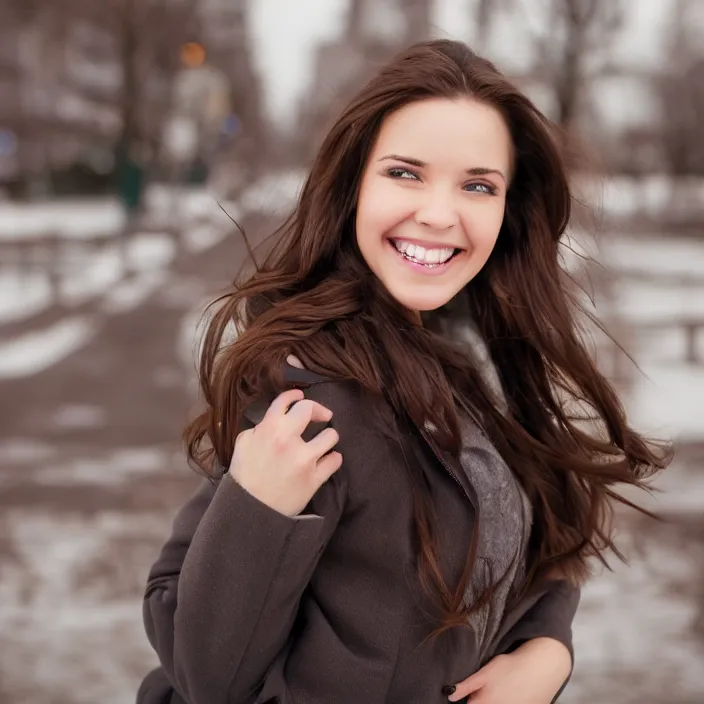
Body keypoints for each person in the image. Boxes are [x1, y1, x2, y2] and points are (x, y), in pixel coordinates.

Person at [137, 39, 669, 704]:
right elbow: (204, 670)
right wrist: (256, 504)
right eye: (405, 173)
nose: (439, 214)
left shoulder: (470, 361)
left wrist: (546, 651)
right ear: (355, 183)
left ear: (508, 207)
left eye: (477, 185)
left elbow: (533, 537)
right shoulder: (317, 393)